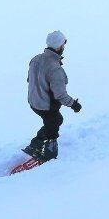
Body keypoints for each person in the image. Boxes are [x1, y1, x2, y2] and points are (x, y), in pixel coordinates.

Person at [24, 30, 81, 162]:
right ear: (59, 46)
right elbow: (60, 95)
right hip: (46, 105)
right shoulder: (55, 68)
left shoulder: (35, 59)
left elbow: (29, 80)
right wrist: (74, 104)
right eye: (63, 45)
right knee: (53, 125)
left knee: (56, 120)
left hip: (33, 102)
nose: (64, 47)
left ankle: (36, 144)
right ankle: (49, 155)